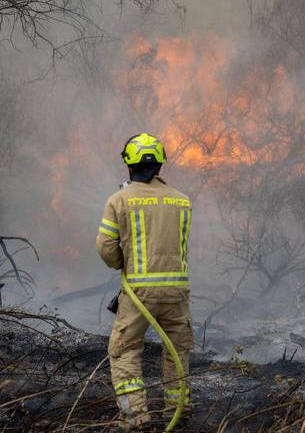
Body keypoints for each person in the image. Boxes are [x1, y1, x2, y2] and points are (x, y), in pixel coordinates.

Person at [96, 133, 193, 430]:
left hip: (139, 293)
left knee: (125, 350)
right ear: (159, 167)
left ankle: (137, 418)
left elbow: (106, 248)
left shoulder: (119, 200)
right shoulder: (182, 200)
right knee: (177, 351)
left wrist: (124, 265)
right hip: (177, 292)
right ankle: (178, 410)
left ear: (129, 165)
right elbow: (179, 244)